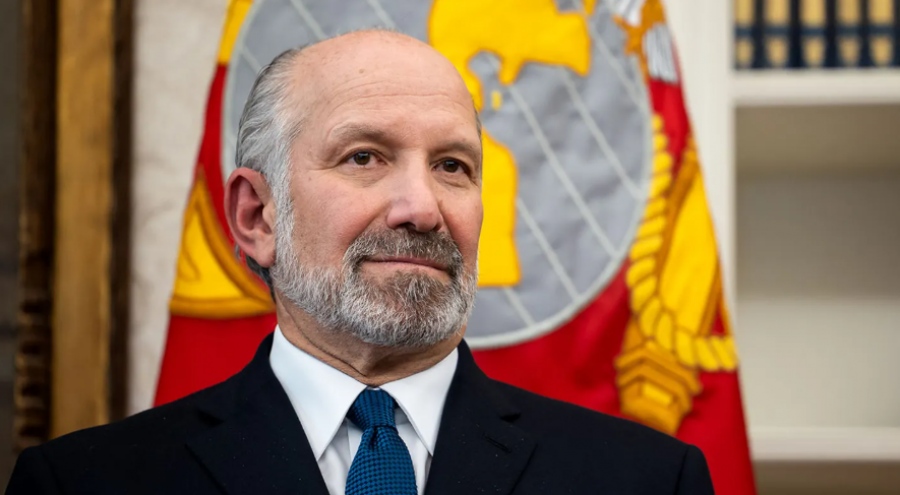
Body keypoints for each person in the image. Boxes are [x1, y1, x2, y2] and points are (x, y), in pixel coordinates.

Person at [6, 30, 714, 494]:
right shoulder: (82, 485)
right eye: (365, 157)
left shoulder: (649, 480)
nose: (422, 207)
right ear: (257, 216)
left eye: (452, 166)